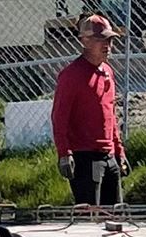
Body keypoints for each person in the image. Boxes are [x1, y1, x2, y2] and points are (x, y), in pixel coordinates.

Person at [52, 12, 126, 206]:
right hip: (84, 157)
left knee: (116, 213)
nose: (107, 46)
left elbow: (110, 116)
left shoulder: (107, 72)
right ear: (84, 41)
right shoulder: (71, 76)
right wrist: (64, 153)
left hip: (109, 156)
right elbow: (59, 118)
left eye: (109, 40)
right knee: (90, 215)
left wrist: (119, 151)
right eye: (100, 39)